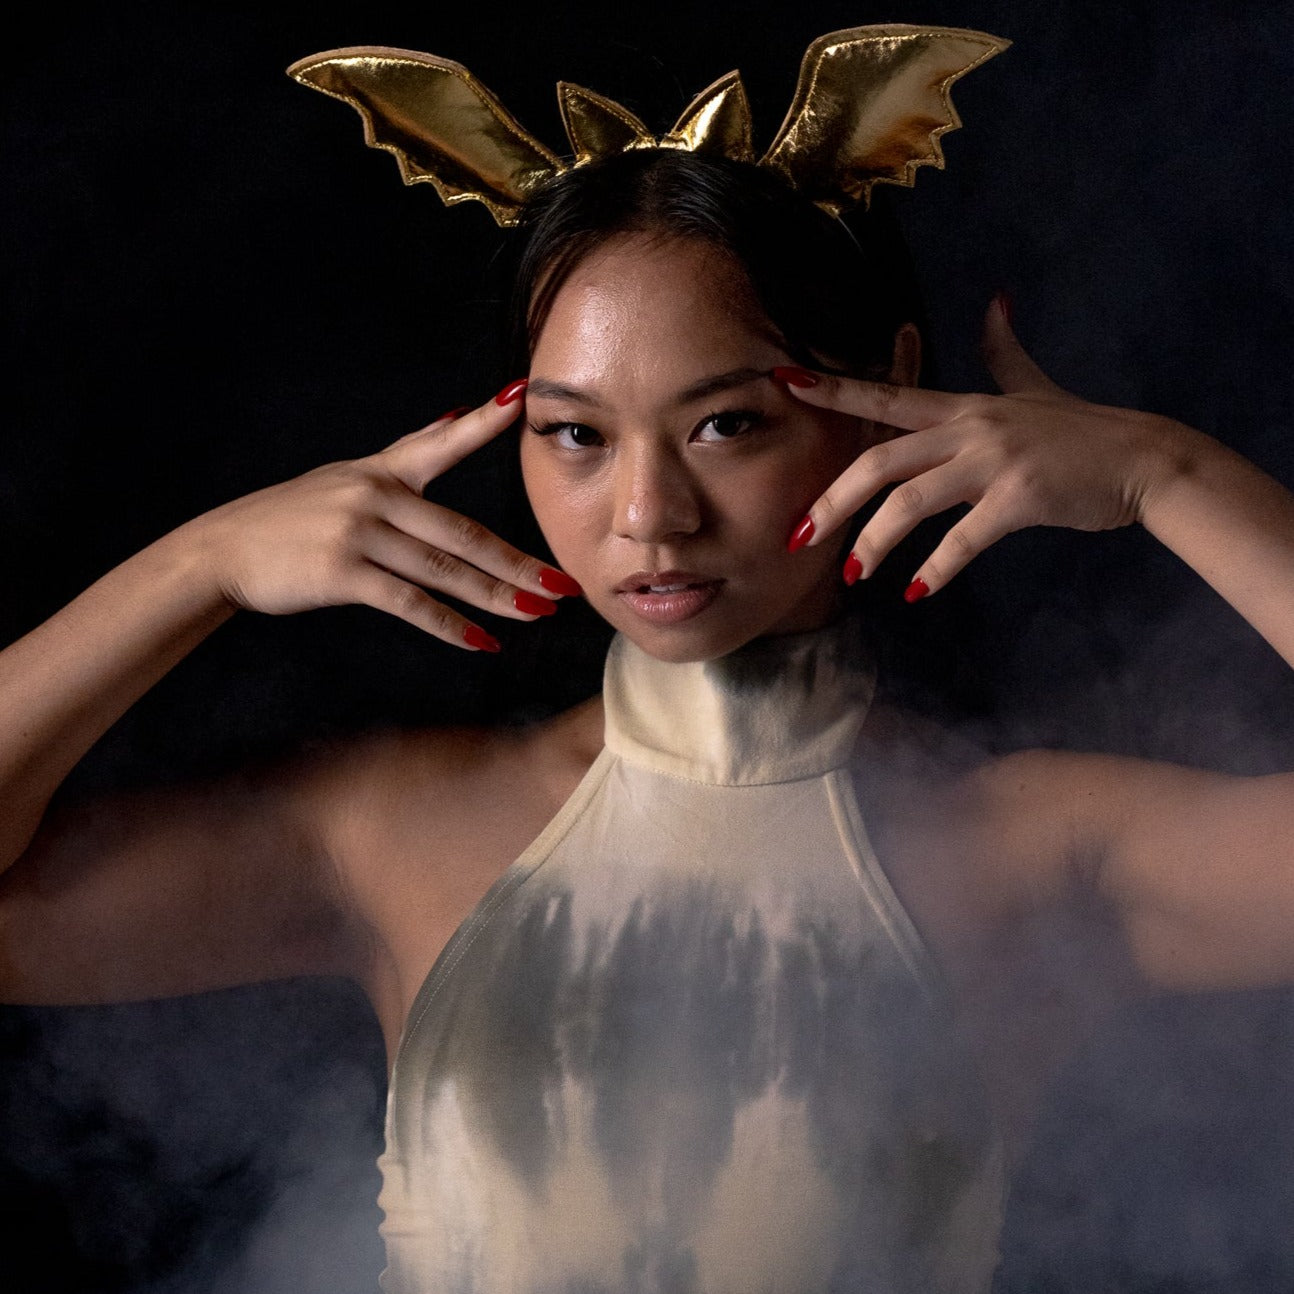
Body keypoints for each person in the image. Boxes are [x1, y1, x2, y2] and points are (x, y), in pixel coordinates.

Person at [4, 22, 1294, 1294]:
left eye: (726, 422)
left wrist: (1165, 475)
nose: (646, 515)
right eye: (574, 435)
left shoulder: (1036, 853)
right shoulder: (392, 830)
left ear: (887, 385)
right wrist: (199, 566)